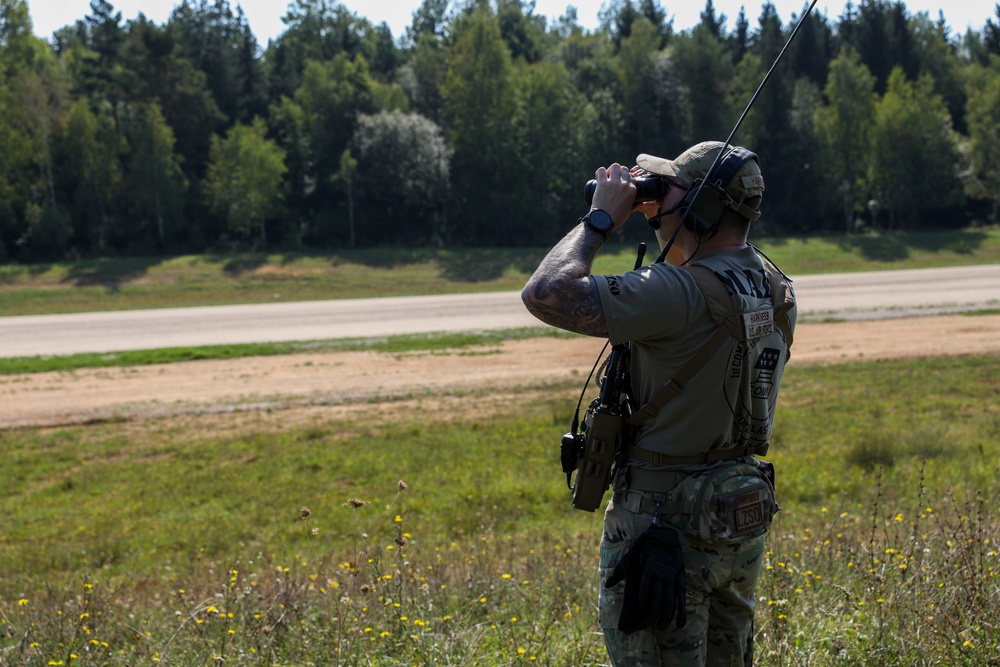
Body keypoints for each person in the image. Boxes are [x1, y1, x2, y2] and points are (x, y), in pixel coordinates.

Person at [521, 141, 797, 667]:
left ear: (702, 208)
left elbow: (546, 292)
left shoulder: (677, 292)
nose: (653, 201)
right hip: (737, 515)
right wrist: (666, 213)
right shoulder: (776, 287)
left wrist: (601, 219)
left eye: (665, 191)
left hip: (662, 526)